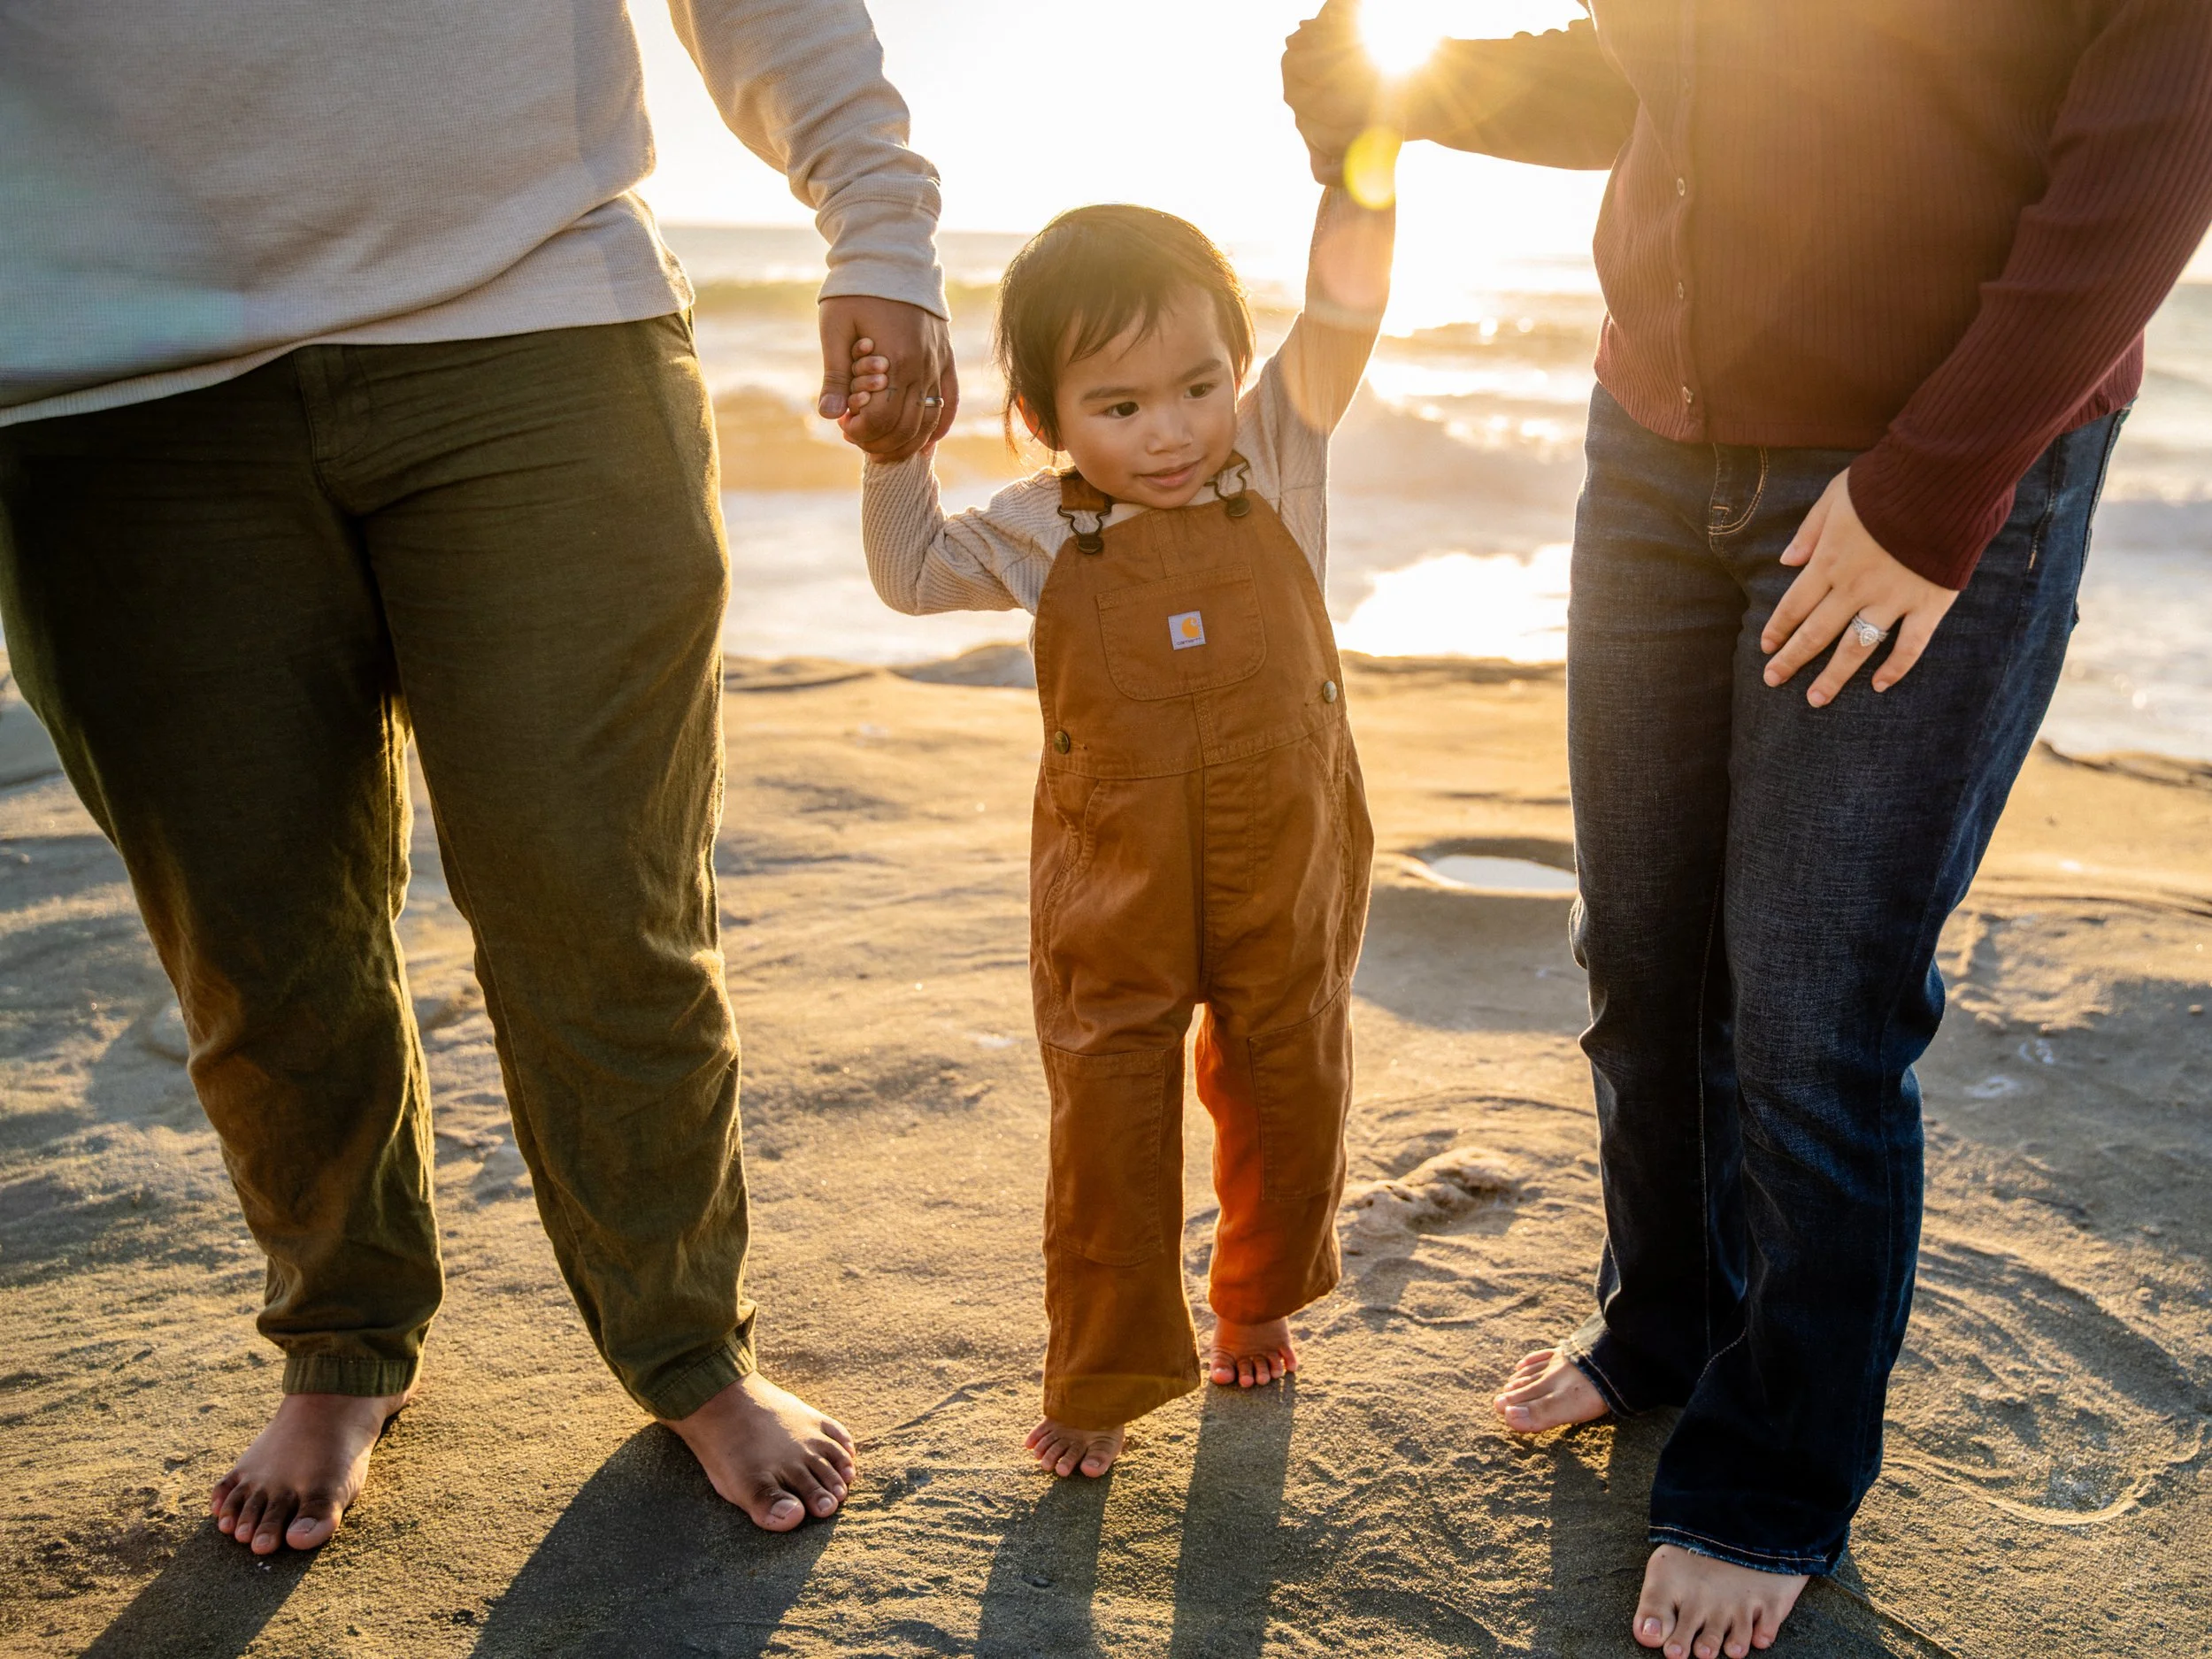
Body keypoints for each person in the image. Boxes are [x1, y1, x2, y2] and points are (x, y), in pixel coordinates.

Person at [1283, 2, 2212, 1655]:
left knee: (1812, 1005)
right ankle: (1668, 1323)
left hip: (1934, 454)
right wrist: (1411, 92)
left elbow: (2162, 126)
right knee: (1638, 947)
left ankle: (1774, 1474)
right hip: (1652, 444)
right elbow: (1682, 70)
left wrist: (1936, 485)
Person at [0, 0, 956, 1553]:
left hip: (538, 312)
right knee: (254, 935)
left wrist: (876, 208)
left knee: (601, 901)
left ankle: (689, 1343)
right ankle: (341, 1341)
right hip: (104, 388)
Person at [854, 184, 1395, 1478]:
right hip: (1118, 870)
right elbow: (912, 573)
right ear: (1042, 418)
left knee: (1289, 1067)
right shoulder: (1042, 527)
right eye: (1121, 405)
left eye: (1200, 386)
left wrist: (1355, 159)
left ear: (1241, 370)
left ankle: (1254, 1294)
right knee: (1112, 1105)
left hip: (1287, 847)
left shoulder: (1277, 447)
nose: (1173, 433)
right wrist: (892, 455)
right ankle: (1102, 1368)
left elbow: (1348, 304)